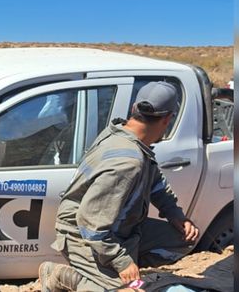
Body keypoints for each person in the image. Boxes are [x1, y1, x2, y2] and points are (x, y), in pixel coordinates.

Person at [39, 81, 200, 292]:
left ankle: (113, 275)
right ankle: (65, 277)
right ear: (168, 119)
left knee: (183, 239)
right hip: (82, 235)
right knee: (130, 289)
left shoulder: (124, 134)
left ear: (134, 109)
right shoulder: (127, 163)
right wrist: (121, 260)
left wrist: (175, 214)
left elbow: (154, 181)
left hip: (121, 228)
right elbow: (91, 225)